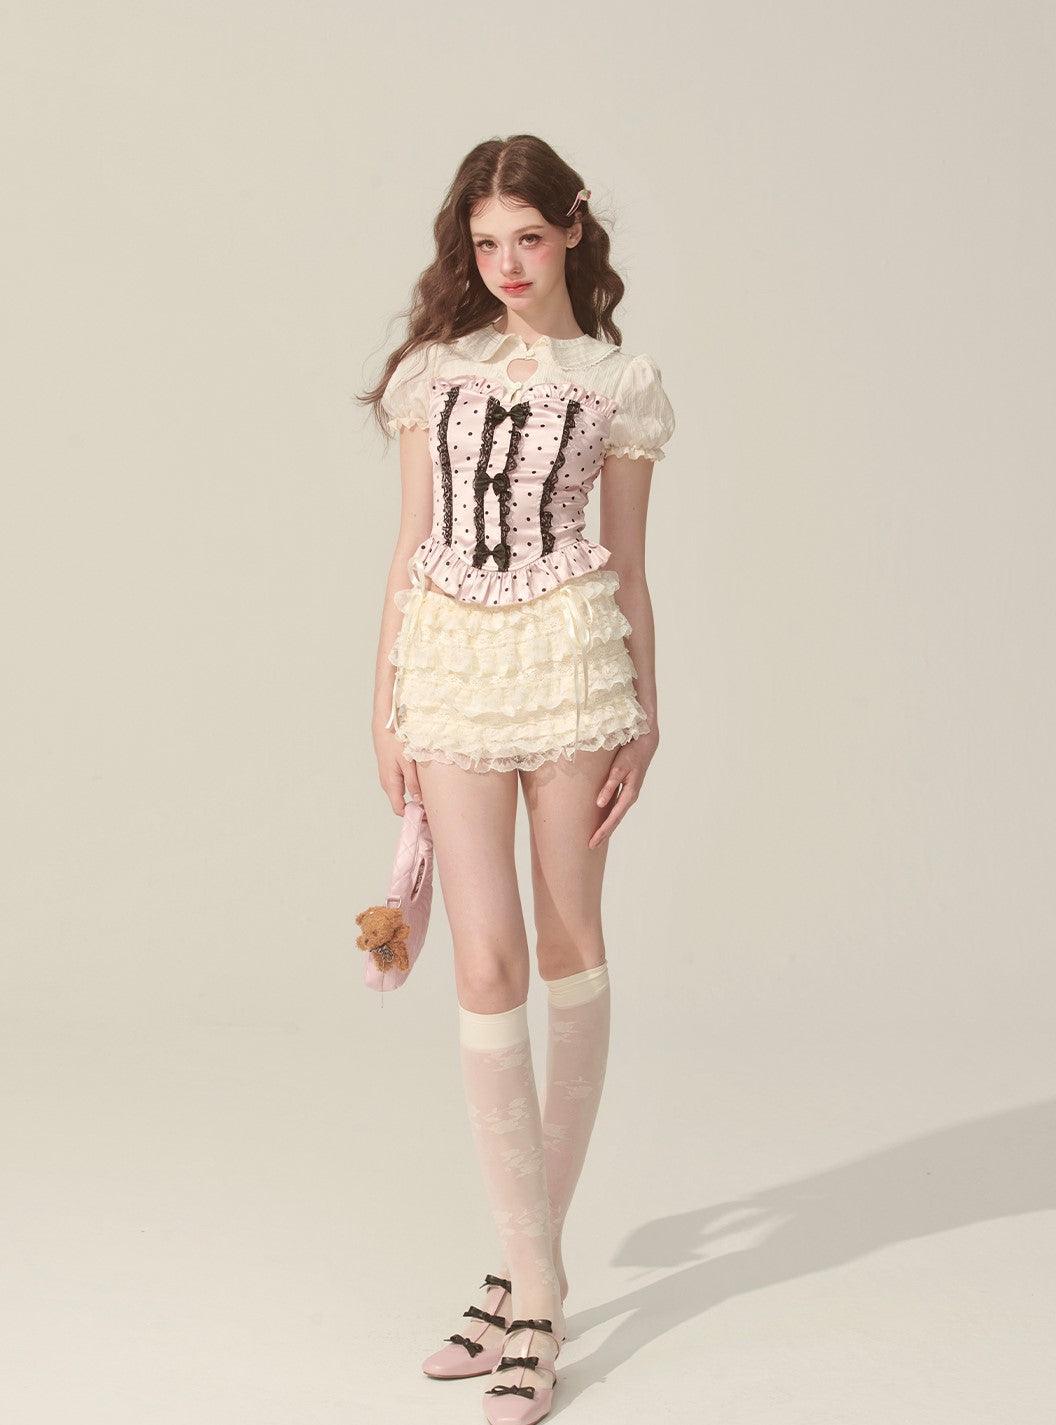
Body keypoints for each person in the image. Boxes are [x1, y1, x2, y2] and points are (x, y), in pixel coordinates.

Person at [361, 134, 675, 1425]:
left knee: (567, 941)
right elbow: (408, 545)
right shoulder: (431, 376)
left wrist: (647, 713)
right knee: (481, 962)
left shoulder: (621, 383)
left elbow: (630, 565)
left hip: (576, 665)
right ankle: (535, 1275)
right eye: (485, 243)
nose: (505, 264)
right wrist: (383, 698)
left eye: (528, 239)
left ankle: (524, 1284)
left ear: (572, 233)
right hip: (449, 664)